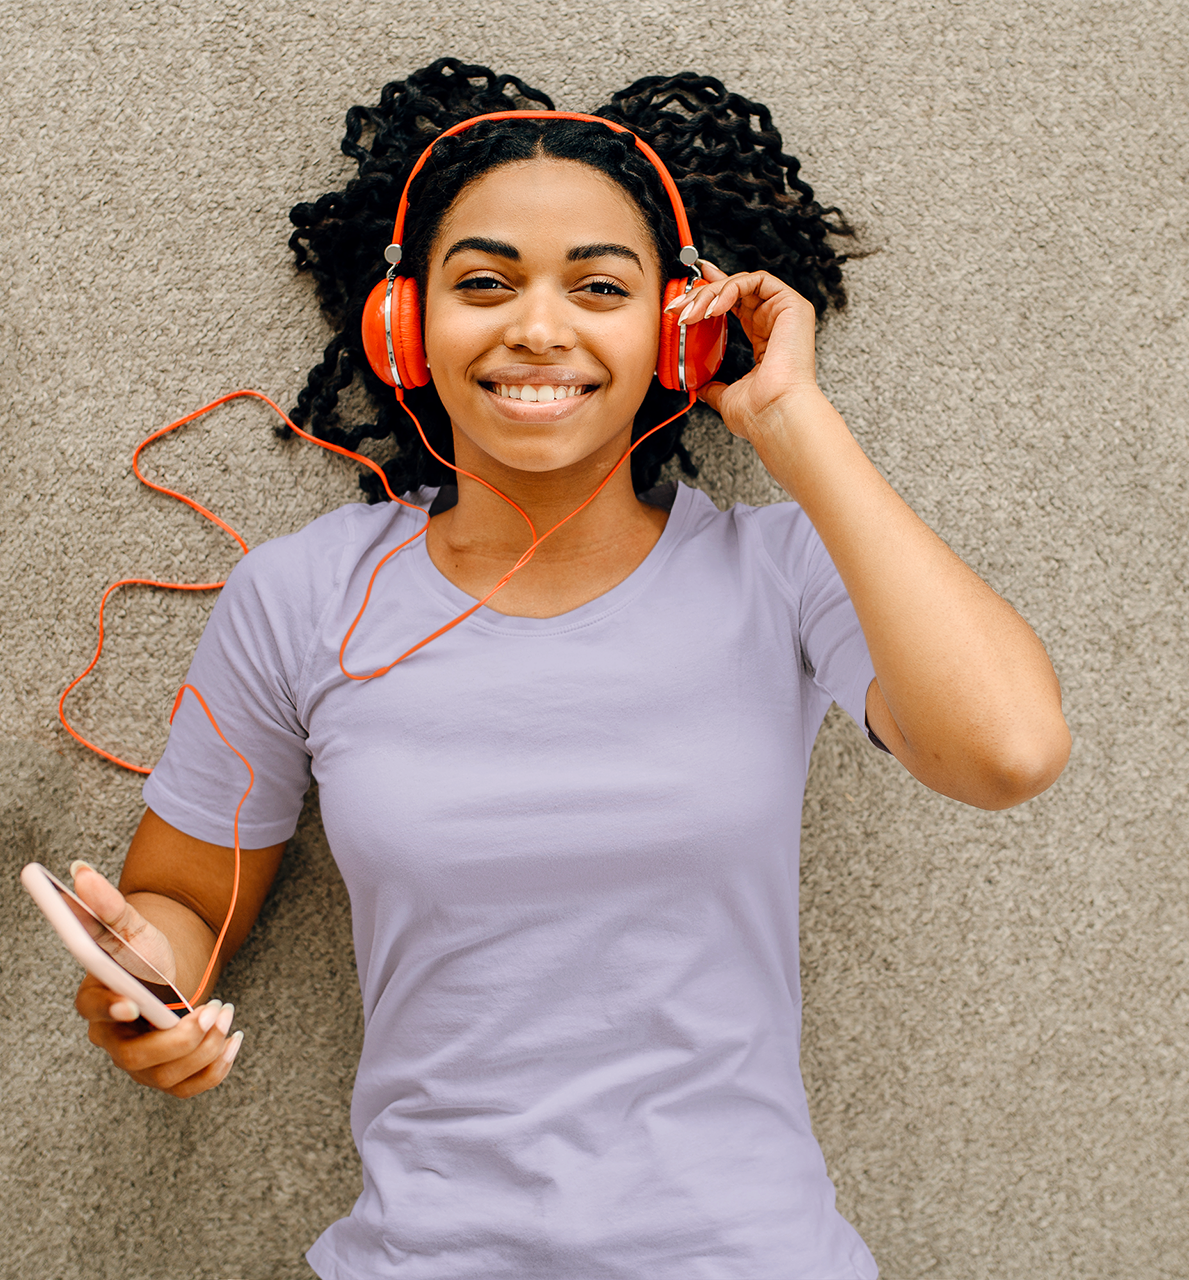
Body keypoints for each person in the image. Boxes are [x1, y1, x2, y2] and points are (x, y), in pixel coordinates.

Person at [69, 58, 1071, 1280]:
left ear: (675, 335)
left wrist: (792, 418)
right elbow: (180, 905)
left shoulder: (784, 570)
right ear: (400, 324)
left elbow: (1007, 751)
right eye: (482, 283)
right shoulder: (299, 596)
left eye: (599, 287)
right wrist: (136, 986)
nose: (537, 326)